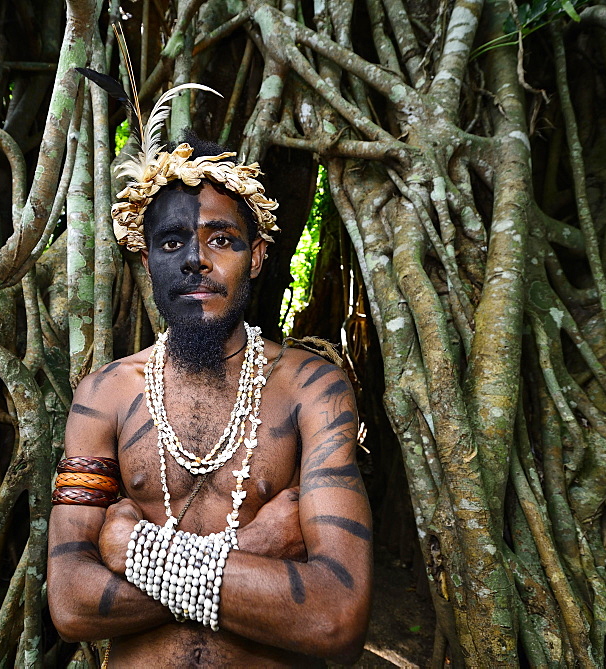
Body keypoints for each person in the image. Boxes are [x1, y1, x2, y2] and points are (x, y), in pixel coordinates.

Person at [47, 133, 373, 667]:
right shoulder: (104, 396)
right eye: (173, 242)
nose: (197, 260)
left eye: (222, 239)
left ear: (258, 256)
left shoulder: (311, 390)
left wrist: (136, 552)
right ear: (147, 260)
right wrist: (254, 549)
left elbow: (335, 618)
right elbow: (71, 604)